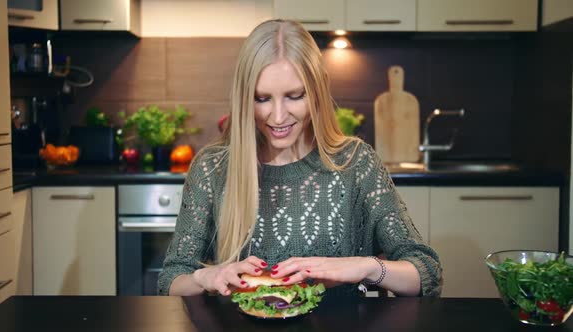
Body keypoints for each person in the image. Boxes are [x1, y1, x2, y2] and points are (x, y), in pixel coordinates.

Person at [158, 19, 442, 297]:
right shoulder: (212, 168)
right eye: (262, 99)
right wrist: (203, 276)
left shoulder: (356, 163)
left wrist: (366, 266)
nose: (278, 116)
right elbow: (171, 280)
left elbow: (426, 271)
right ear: (244, 98)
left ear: (317, 92)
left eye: (295, 96)